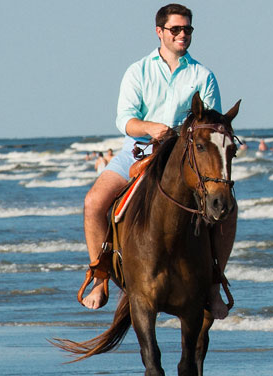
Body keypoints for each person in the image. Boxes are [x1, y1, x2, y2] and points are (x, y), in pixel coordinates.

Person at [81, 3, 234, 320]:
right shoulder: (138, 71)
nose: (182, 35)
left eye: (187, 29)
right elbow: (124, 119)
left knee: (227, 210)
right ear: (160, 32)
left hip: (183, 157)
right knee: (94, 202)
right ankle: (100, 277)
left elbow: (213, 123)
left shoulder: (202, 75)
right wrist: (149, 127)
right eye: (176, 29)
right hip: (137, 151)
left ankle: (213, 285)